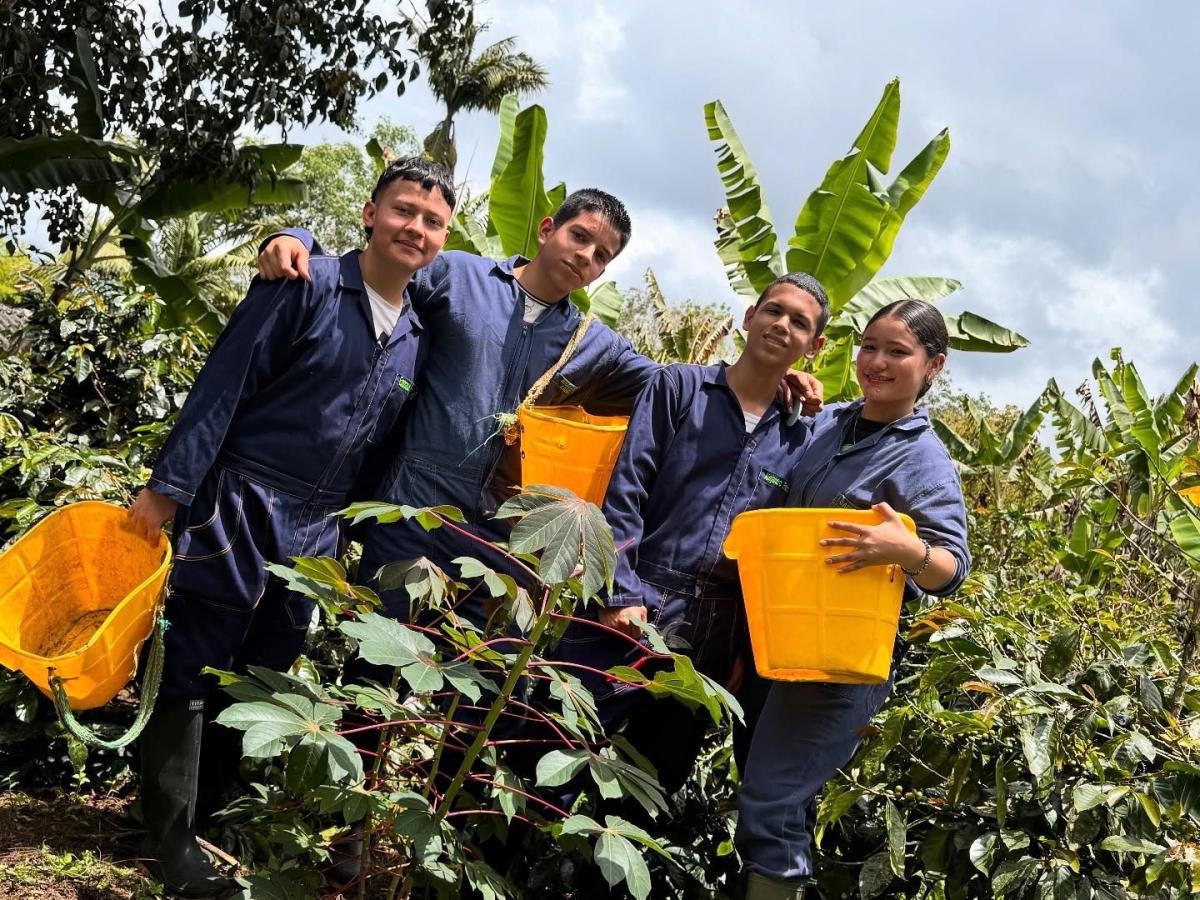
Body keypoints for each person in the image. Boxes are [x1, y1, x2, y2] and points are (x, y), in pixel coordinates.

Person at [126, 157, 454, 897]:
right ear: (370, 213)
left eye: (433, 221)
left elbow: (381, 447)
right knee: (193, 662)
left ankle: (204, 821)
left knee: (260, 673)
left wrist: (358, 538)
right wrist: (168, 489)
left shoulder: (416, 338)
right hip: (238, 501)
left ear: (443, 237)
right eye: (404, 210)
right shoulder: (304, 286)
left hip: (319, 528)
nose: (416, 228)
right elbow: (225, 380)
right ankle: (169, 841)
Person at [553, 272, 830, 804]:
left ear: (813, 347)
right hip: (638, 594)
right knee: (557, 740)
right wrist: (618, 594)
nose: (782, 325)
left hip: (717, 628)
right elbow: (627, 487)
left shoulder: (803, 436)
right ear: (750, 316)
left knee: (655, 777)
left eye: (799, 322)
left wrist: (745, 647)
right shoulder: (678, 387)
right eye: (774, 311)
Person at [734, 299, 971, 900]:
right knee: (776, 799)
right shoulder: (829, 423)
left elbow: (952, 568)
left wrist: (907, 550)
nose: (877, 362)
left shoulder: (923, 458)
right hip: (781, 637)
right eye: (870, 346)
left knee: (772, 801)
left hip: (841, 660)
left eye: (898, 352)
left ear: (933, 365)